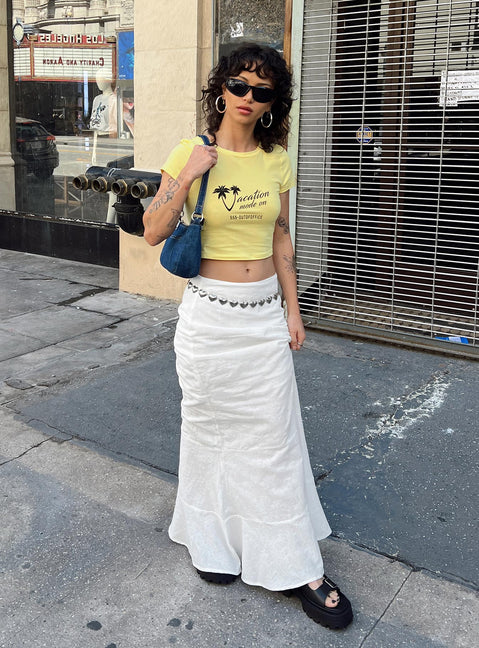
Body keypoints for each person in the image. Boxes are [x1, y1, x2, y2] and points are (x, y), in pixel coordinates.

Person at [143, 43, 353, 631]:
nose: (248, 98)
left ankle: (296, 564)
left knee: (273, 441)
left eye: (262, 92)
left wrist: (294, 310)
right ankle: (212, 541)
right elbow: (152, 230)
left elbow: (281, 235)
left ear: (272, 104)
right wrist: (189, 174)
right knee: (208, 434)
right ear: (221, 88)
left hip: (262, 319)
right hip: (208, 320)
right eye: (239, 85)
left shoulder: (276, 159)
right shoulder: (190, 152)